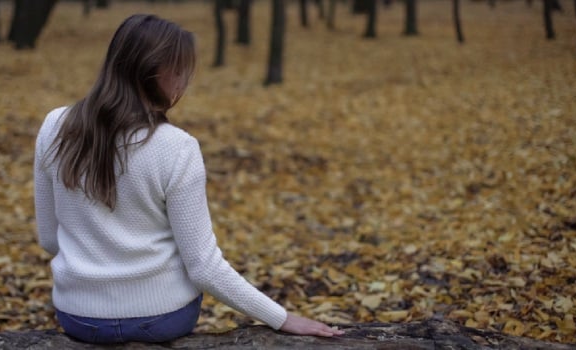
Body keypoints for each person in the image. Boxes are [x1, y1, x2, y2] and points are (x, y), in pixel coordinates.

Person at [33, 14, 344, 344]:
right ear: (152, 70)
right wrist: (283, 318)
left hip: (79, 318)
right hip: (160, 318)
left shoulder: (55, 127)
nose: (185, 82)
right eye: (179, 70)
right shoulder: (176, 148)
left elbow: (50, 240)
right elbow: (204, 269)